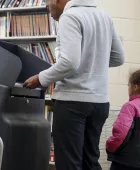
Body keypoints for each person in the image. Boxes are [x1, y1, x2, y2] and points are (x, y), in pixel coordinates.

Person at [23, 0, 125, 169]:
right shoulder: (104, 17)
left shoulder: (69, 16)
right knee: (90, 162)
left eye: (47, 4)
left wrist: (40, 79)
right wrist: (92, 63)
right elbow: (118, 58)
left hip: (72, 103)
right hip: (100, 103)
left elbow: (69, 63)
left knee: (69, 164)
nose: (48, 9)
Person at [106, 69, 140, 170]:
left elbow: (120, 133)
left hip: (126, 161)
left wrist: (110, 145)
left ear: (135, 86)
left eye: (128, 85)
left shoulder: (130, 106)